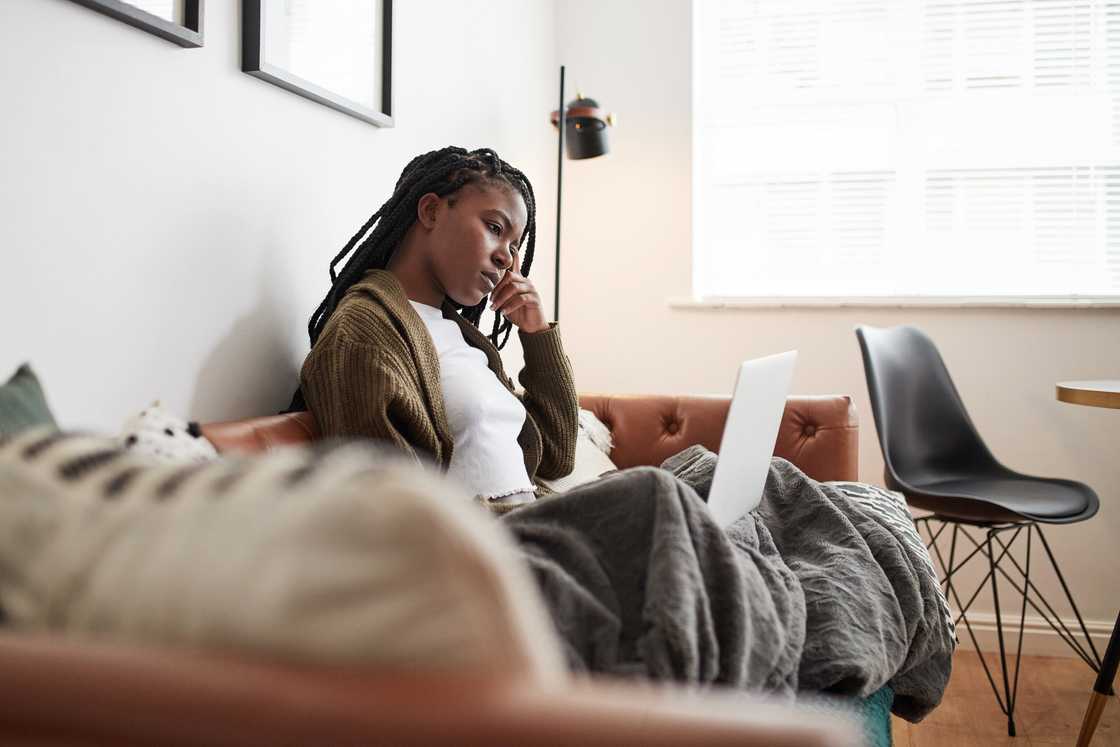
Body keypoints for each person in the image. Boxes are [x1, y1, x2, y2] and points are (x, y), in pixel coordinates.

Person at [289, 146, 579, 510]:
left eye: (514, 246)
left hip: (538, 525)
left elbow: (557, 454)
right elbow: (395, 511)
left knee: (670, 480)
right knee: (655, 491)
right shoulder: (364, 332)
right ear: (430, 211)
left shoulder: (458, 335)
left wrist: (537, 334)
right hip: (496, 547)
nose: (507, 258)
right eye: (494, 228)